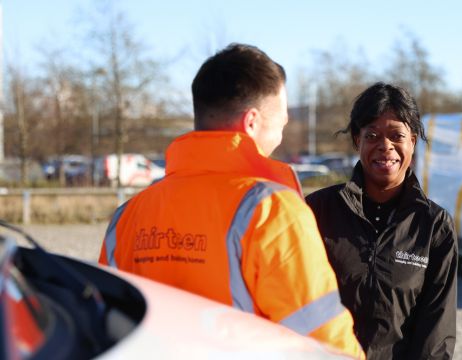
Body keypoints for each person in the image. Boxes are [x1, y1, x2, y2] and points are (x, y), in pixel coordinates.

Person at [98, 43, 363, 358]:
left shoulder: (128, 215)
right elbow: (323, 341)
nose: (284, 124)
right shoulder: (271, 209)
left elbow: (105, 323)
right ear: (252, 121)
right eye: (282, 116)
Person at [306, 82, 457, 359]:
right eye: (372, 135)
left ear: (412, 141)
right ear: (356, 140)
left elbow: (436, 329)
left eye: (396, 135)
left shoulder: (434, 226)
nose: (385, 146)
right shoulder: (317, 211)